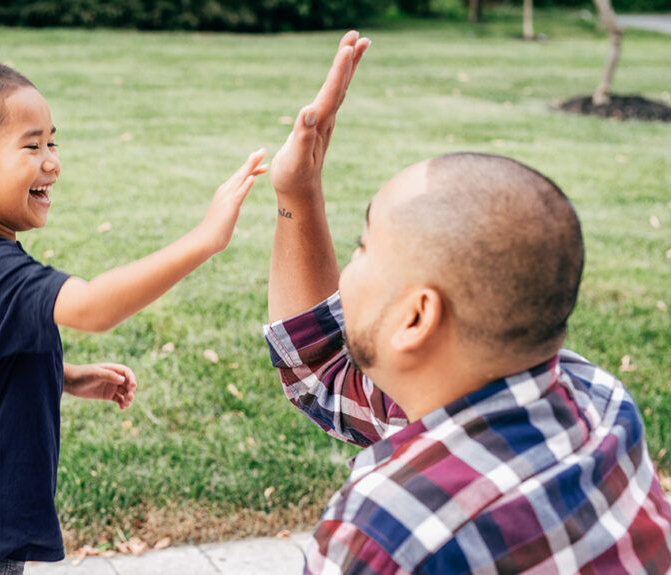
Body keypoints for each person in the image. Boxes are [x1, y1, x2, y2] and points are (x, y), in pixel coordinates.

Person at [265, 31, 671, 574]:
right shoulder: (598, 400)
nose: (352, 261)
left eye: (363, 246)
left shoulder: (390, 533)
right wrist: (299, 192)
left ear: (416, 318)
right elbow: (325, 375)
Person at [0, 62, 267, 574]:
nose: (52, 163)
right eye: (31, 146)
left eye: (53, 143)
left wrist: (66, 377)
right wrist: (205, 239)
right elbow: (93, 307)